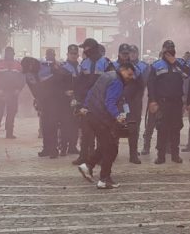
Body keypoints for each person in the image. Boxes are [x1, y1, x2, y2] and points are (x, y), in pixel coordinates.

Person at [77, 62, 137, 189]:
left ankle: (88, 165)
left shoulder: (107, 75)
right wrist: (118, 116)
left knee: (106, 145)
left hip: (92, 115)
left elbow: (91, 92)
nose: (130, 77)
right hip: (101, 118)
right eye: (129, 74)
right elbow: (110, 102)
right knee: (111, 148)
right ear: (123, 70)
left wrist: (85, 107)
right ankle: (104, 179)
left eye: (132, 76)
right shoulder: (117, 82)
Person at [147, 40, 190, 164]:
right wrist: (152, 101)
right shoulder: (156, 65)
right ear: (163, 50)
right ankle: (160, 156)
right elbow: (151, 85)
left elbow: (187, 74)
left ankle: (175, 155)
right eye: (167, 49)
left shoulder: (180, 63)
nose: (169, 51)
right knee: (162, 129)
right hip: (162, 102)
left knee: (176, 129)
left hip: (176, 102)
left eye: (172, 49)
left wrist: (174, 62)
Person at [73, 38, 114, 166]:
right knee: (86, 132)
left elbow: (112, 82)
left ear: (90, 48)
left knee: (101, 132)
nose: (84, 51)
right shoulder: (84, 63)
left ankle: (100, 157)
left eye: (85, 48)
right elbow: (78, 84)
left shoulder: (106, 63)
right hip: (86, 103)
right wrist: (78, 100)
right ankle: (84, 156)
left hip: (100, 104)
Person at [113, 43, 147, 164]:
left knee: (133, 129)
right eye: (123, 53)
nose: (126, 56)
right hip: (116, 104)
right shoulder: (113, 66)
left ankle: (133, 155)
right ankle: (113, 153)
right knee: (115, 128)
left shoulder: (134, 68)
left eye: (127, 53)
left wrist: (136, 100)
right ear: (119, 53)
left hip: (131, 104)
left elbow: (141, 85)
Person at [0, 46, 25, 139]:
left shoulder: (18, 65)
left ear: (13, 54)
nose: (9, 55)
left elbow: (22, 78)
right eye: (8, 53)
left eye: (11, 53)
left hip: (13, 93)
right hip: (0, 93)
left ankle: (9, 133)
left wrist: (19, 89)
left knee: (11, 113)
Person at [36, 49, 62, 158]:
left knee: (52, 125)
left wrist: (55, 69)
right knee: (45, 125)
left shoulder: (58, 66)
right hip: (44, 100)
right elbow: (37, 81)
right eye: (48, 55)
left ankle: (54, 149)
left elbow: (60, 80)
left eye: (52, 55)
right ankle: (46, 148)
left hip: (54, 101)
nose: (50, 57)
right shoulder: (42, 66)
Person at [57, 44, 81, 156]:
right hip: (65, 101)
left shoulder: (81, 67)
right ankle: (63, 147)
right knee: (65, 124)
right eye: (71, 53)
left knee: (75, 125)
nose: (73, 55)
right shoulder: (62, 67)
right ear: (67, 54)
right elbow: (57, 85)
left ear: (78, 54)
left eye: (75, 53)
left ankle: (72, 146)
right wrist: (64, 92)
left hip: (78, 100)